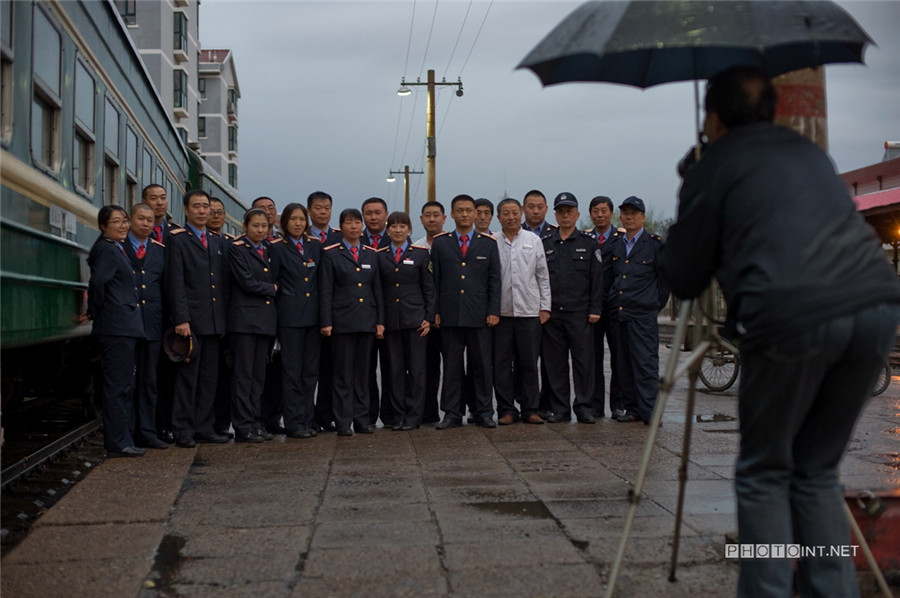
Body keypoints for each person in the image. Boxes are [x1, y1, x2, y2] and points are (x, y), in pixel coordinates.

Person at [658, 65, 900, 598]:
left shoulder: (714, 163)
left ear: (713, 118)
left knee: (765, 471)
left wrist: (692, 188)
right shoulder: (809, 155)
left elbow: (684, 274)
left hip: (792, 313)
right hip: (877, 308)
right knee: (815, 470)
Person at [165, 189, 230, 448]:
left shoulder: (216, 241)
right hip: (190, 322)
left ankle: (204, 427)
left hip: (213, 322)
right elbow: (175, 282)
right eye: (197, 207)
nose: (203, 211)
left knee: (209, 379)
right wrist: (181, 319)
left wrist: (223, 321)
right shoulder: (177, 239)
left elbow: (221, 285)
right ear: (186, 210)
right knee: (187, 379)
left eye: (206, 207)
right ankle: (183, 429)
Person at [431, 194, 501, 429]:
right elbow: (435, 281)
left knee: (481, 364)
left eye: (468, 210)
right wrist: (436, 311)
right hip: (450, 314)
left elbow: (494, 281)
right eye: (459, 210)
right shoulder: (441, 243)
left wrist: (493, 310)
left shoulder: (488, 243)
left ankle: (483, 411)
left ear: (475, 213)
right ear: (451, 214)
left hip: (479, 315)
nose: (464, 214)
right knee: (451, 366)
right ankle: (452, 413)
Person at [87, 205, 146, 457]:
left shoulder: (115, 248)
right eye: (116, 222)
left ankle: (124, 438)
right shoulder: (106, 250)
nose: (123, 226)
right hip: (116, 326)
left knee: (123, 385)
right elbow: (97, 283)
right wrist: (97, 313)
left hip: (122, 325)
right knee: (118, 386)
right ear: (103, 226)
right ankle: (118, 442)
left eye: (124, 221)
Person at [319, 208, 385, 436]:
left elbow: (377, 290)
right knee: (342, 374)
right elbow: (326, 290)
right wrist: (326, 321)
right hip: (342, 322)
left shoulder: (371, 253)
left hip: (366, 321)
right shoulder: (331, 254)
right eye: (349, 223)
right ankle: (343, 420)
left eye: (357, 223)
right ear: (342, 227)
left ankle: (362, 418)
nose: (354, 227)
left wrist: (380, 321)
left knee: (362, 374)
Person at [539, 193, 603, 424]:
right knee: (555, 364)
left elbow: (597, 280)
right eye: (561, 211)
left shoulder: (588, 243)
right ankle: (560, 409)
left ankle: (584, 407)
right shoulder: (545, 243)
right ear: (555, 214)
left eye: (570, 211)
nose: (565, 215)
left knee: (584, 362)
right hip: (553, 313)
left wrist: (595, 309)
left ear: (577, 214)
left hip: (580, 314)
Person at [608, 196, 668, 425]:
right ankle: (632, 408)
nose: (629, 217)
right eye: (625, 213)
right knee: (624, 365)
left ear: (643, 217)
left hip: (642, 316)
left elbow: (664, 282)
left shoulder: (654, 245)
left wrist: (652, 304)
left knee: (646, 365)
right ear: (620, 217)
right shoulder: (617, 245)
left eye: (634, 213)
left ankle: (650, 411)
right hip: (620, 314)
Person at [492, 198, 550, 425]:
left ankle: (530, 409)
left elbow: (543, 276)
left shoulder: (533, 240)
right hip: (501, 314)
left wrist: (545, 307)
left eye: (515, 212)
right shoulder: (492, 241)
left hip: (529, 312)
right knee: (502, 364)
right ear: (499, 217)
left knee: (528, 363)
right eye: (505, 213)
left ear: (522, 213)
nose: (511, 217)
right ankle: (506, 409)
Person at [378, 211, 435, 430]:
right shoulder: (380, 255)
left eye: (403, 226)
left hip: (416, 322)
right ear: (388, 229)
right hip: (391, 322)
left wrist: (429, 317)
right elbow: (378, 290)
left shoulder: (420, 254)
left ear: (409, 229)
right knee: (394, 371)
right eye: (393, 226)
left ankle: (414, 416)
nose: (398, 230)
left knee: (417, 372)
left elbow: (429, 288)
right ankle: (398, 415)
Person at [270, 203, 323, 439]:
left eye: (302, 219)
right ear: (285, 223)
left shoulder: (315, 246)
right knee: (292, 372)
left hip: (313, 317)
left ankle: (307, 419)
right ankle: (293, 422)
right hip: (289, 318)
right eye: (293, 219)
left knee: (310, 372)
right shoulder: (277, 248)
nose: (299, 223)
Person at [227, 209, 278, 443]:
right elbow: (247, 282)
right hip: (244, 322)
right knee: (243, 376)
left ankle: (256, 422)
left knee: (259, 376)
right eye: (255, 225)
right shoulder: (237, 250)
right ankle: (242, 425)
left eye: (264, 226)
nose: (260, 230)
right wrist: (273, 289)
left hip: (265, 322)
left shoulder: (269, 249)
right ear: (245, 226)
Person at [123, 204, 168, 450]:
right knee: (127, 382)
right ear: (131, 220)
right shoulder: (119, 248)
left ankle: (148, 432)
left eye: (150, 220)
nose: (146, 224)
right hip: (126, 324)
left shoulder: (160, 251)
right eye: (141, 218)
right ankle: (127, 433)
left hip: (152, 324)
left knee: (149, 382)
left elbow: (166, 288)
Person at [307, 190, 341, 432]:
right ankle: (305, 415)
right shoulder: (300, 235)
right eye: (318, 208)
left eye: (327, 208)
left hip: (335, 315)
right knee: (307, 369)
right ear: (309, 211)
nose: (323, 212)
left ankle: (325, 414)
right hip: (306, 313)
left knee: (331, 368)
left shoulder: (340, 238)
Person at [588, 195, 623, 418]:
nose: (600, 215)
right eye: (596, 211)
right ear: (590, 214)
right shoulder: (586, 239)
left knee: (619, 356)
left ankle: (619, 404)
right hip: (592, 307)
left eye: (604, 211)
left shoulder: (621, 239)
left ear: (611, 213)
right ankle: (594, 405)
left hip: (616, 306)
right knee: (592, 358)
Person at [361, 196, 393, 427]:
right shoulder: (353, 239)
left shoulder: (398, 238)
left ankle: (390, 414)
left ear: (386, 215)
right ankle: (367, 415)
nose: (373, 217)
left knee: (392, 367)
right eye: (369, 213)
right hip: (361, 316)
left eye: (378, 212)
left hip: (392, 315)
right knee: (365, 369)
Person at [414, 201, 447, 424]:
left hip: (450, 316)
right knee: (426, 366)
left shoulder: (451, 244)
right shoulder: (416, 248)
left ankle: (455, 410)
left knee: (453, 366)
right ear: (421, 219)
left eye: (436, 215)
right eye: (428, 215)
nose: (432, 219)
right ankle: (428, 410)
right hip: (426, 319)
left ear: (445, 219)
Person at [207, 195, 234, 438]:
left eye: (220, 212)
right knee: (206, 377)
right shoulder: (192, 242)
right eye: (211, 211)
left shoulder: (230, 244)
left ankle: (222, 423)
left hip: (228, 319)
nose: (216, 215)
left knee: (225, 376)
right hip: (204, 320)